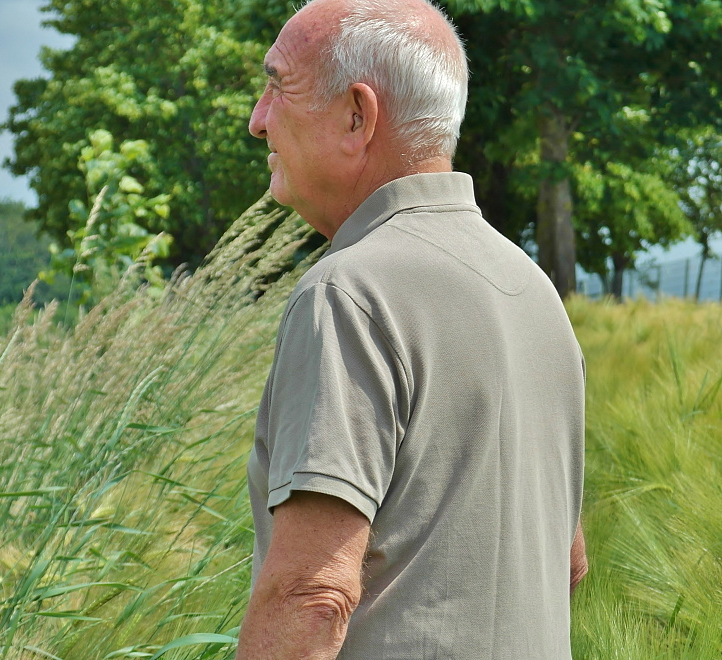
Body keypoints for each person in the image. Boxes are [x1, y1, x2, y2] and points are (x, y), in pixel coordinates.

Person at [238, 0, 588, 657]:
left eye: (277, 86)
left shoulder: (348, 294)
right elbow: (565, 567)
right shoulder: (536, 292)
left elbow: (311, 598)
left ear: (356, 116)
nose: (258, 120)